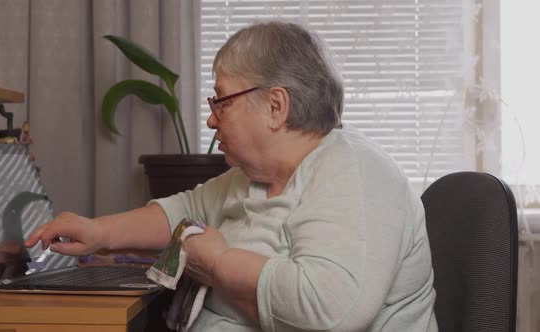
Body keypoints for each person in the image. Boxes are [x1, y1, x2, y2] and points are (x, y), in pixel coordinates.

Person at [25, 21, 437, 331]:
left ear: (276, 107)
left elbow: (331, 309)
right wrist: (99, 232)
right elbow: (184, 212)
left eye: (222, 101)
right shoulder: (253, 176)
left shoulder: (354, 171)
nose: (209, 118)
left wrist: (219, 262)